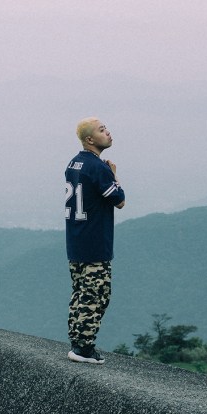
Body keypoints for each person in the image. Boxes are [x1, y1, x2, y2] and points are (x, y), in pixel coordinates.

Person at [64, 117, 126, 364]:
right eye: (102, 130)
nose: (108, 133)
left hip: (76, 242)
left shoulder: (73, 163)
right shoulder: (98, 167)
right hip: (95, 243)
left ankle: (76, 341)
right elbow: (119, 200)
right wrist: (114, 175)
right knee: (97, 295)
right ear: (90, 139)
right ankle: (84, 349)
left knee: (80, 293)